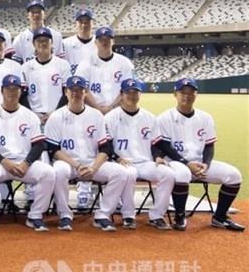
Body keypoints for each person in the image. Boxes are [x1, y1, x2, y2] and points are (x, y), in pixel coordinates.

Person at [155, 77, 244, 232]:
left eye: (191, 92)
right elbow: (164, 147)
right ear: (175, 94)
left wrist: (206, 164)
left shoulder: (205, 117)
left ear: (197, 94)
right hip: (175, 162)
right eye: (183, 92)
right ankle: (180, 216)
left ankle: (220, 217)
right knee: (182, 174)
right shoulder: (164, 118)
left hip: (199, 163)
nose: (187, 95)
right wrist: (187, 163)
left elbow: (209, 146)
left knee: (234, 175)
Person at [45, 76, 129, 232]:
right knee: (59, 170)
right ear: (66, 92)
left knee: (121, 173)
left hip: (91, 162)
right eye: (72, 90)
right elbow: (54, 150)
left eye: (80, 90)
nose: (76, 93)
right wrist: (77, 166)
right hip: (68, 163)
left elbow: (105, 148)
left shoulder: (96, 115)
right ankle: (65, 215)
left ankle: (102, 215)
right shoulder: (56, 116)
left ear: (85, 93)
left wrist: (94, 169)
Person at [0, 75, 55, 232]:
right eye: (8, 89)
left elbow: (40, 145)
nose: (12, 92)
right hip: (0, 163)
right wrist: (3, 161)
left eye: (16, 89)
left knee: (48, 173)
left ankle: (35, 215)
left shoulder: (30, 116)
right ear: (1, 91)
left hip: (23, 162)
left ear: (21, 92)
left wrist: (26, 164)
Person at [104, 78, 173, 230]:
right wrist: (117, 158)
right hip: (121, 162)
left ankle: (157, 215)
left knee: (168, 174)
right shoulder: (110, 117)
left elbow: (155, 143)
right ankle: (128, 215)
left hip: (145, 162)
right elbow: (105, 145)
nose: (132, 95)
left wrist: (158, 157)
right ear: (121, 95)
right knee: (129, 173)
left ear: (140, 94)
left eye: (135, 92)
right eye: (128, 92)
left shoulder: (149, 117)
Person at [75, 27, 136, 115]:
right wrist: (98, 109)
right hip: (91, 112)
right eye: (101, 39)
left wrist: (113, 107)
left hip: (119, 111)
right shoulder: (85, 62)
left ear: (113, 41)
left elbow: (129, 88)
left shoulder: (125, 63)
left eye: (108, 39)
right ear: (95, 42)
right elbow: (82, 88)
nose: (104, 42)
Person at [21, 27, 72, 125]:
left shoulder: (63, 65)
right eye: (39, 41)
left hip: (58, 114)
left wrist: (55, 113)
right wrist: (31, 115)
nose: (42, 43)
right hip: (34, 116)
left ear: (52, 42)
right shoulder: (25, 67)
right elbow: (22, 96)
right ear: (33, 44)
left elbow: (67, 92)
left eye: (46, 40)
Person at [11, 0, 65, 64]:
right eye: (33, 12)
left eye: (39, 12)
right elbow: (16, 65)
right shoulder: (19, 39)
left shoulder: (56, 36)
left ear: (44, 14)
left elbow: (61, 62)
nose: (36, 15)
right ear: (28, 15)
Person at [62, 7, 97, 75]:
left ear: (93, 23)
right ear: (76, 23)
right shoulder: (65, 44)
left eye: (87, 21)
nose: (84, 25)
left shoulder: (99, 43)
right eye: (81, 21)